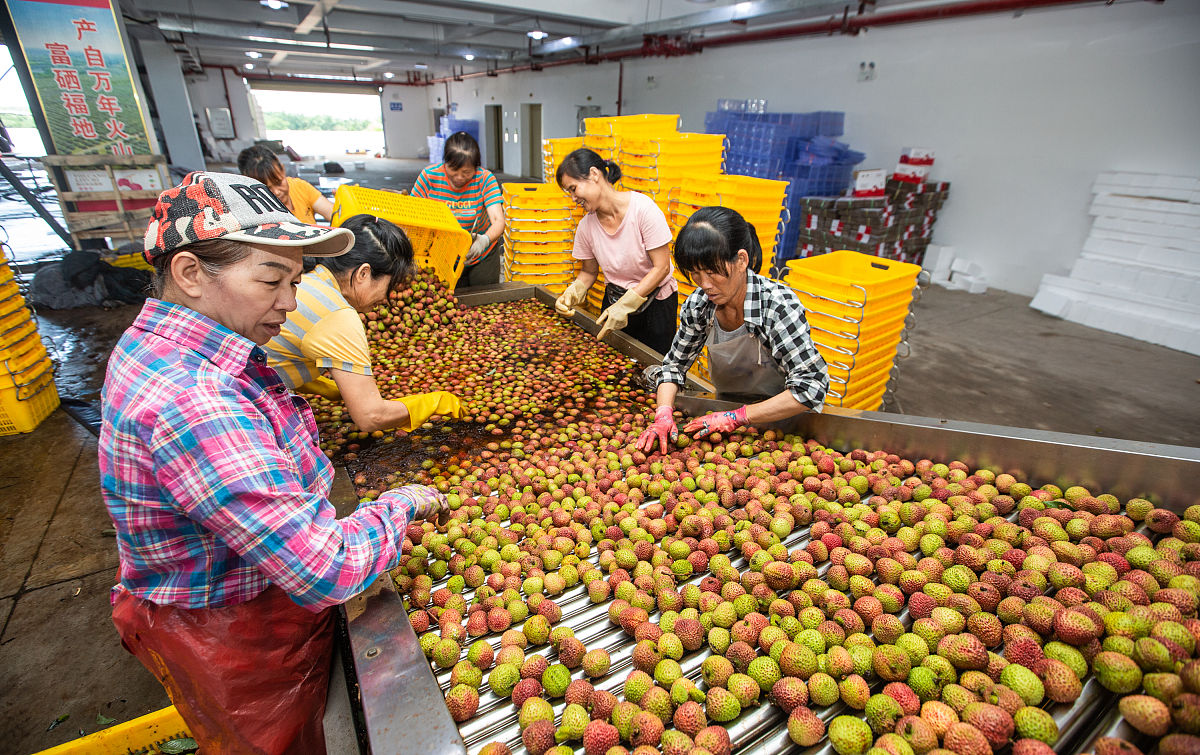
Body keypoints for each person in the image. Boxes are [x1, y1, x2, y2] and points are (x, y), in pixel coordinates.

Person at [99, 171, 447, 753]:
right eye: (270, 280)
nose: (289, 301)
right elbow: (321, 568)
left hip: (221, 598)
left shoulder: (163, 347)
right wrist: (400, 505)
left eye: (295, 280)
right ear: (189, 273)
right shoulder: (194, 399)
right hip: (233, 633)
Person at [636, 206, 829, 453]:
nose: (705, 285)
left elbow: (811, 386)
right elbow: (674, 367)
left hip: (787, 423)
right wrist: (663, 413)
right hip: (727, 422)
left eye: (713, 272)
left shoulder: (776, 306)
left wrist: (736, 417)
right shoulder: (700, 305)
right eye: (695, 274)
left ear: (741, 261)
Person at [262, 213, 462, 432]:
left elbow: (278, 350)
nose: (386, 299)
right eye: (389, 285)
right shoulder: (337, 314)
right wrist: (435, 402)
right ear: (363, 273)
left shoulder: (306, 282)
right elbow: (372, 416)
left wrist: (321, 384)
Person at [552, 148, 677, 354]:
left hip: (656, 306)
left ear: (594, 174)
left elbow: (662, 267)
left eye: (574, 189)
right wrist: (573, 292)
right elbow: (589, 272)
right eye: (569, 192)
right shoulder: (586, 227)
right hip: (614, 302)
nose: (573, 198)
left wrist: (628, 303)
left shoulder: (643, 210)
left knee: (654, 370)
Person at [411, 131, 505, 290]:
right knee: (449, 299)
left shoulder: (484, 179)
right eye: (454, 169)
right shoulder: (429, 177)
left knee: (483, 299)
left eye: (467, 172)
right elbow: (412, 214)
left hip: (480, 254)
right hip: (442, 255)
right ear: (445, 163)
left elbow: (498, 220)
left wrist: (484, 241)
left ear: (476, 167)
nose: (460, 177)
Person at [238, 144, 334, 224]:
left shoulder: (300, 187)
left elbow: (333, 214)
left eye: (278, 182)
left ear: (283, 170)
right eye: (266, 189)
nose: (276, 192)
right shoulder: (252, 211)